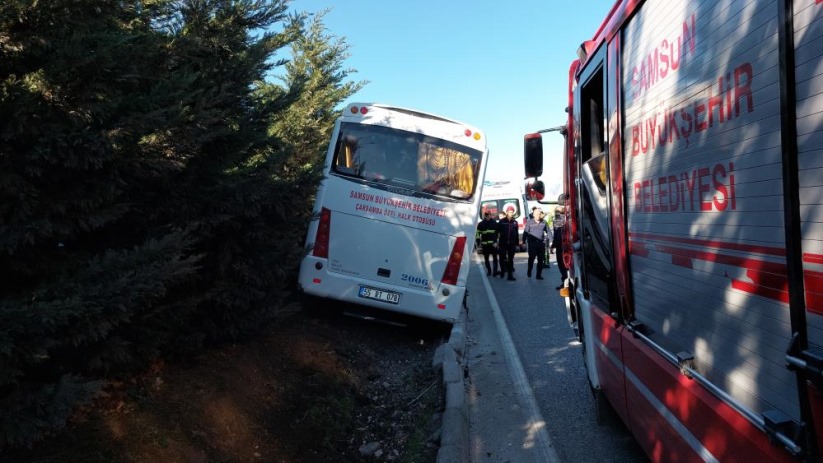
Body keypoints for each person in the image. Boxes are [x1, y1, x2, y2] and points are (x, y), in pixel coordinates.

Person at [523, 208, 549, 279]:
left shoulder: (544, 222)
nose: (538, 215)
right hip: (532, 243)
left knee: (540, 260)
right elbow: (525, 233)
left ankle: (538, 275)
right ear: (534, 215)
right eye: (537, 214)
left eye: (539, 214)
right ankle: (529, 270)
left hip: (541, 243)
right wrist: (523, 242)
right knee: (531, 258)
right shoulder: (529, 222)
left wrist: (552, 241)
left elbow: (548, 232)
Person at [475, 211, 500, 276]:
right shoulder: (481, 224)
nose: (489, 217)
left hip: (493, 244)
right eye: (487, 216)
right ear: (485, 216)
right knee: (486, 259)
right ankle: (489, 271)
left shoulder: (494, 223)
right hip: (485, 244)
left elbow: (497, 233)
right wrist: (478, 242)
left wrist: (495, 242)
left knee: (495, 258)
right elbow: (477, 233)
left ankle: (495, 271)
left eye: (490, 215)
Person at [497, 209, 519, 281]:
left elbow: (517, 234)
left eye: (512, 212)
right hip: (503, 243)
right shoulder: (502, 221)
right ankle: (503, 271)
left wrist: (517, 244)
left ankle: (510, 275)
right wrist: (495, 241)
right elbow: (496, 232)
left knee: (510, 259)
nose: (511, 213)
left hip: (511, 244)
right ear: (506, 213)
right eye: (510, 212)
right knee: (502, 258)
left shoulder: (515, 222)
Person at [550, 205, 568, 289]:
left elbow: (558, 235)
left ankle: (565, 282)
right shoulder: (568, 218)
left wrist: (553, 246)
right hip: (569, 244)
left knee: (561, 264)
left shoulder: (558, 219)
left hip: (561, 246)